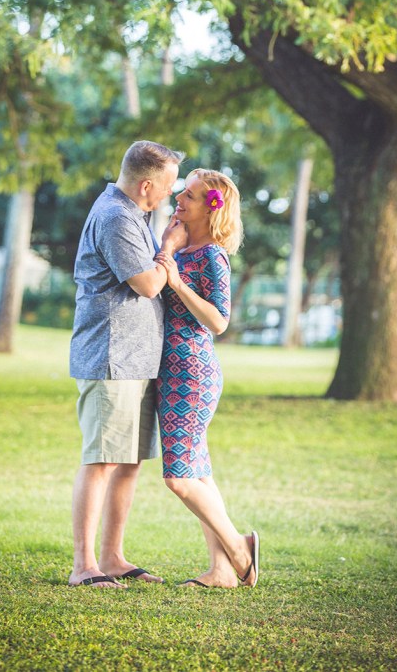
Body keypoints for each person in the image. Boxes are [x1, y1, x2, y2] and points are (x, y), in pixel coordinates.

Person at [68, 140, 187, 589]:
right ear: (146, 185)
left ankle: (113, 557)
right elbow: (149, 284)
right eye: (169, 188)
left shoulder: (136, 214)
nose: (172, 197)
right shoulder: (116, 217)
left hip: (138, 359)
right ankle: (84, 566)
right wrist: (171, 246)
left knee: (130, 461)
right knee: (101, 460)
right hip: (111, 358)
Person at [155, 169, 259, 589]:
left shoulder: (212, 256)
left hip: (192, 372)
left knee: (178, 477)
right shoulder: (181, 246)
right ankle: (220, 572)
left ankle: (239, 549)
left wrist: (177, 282)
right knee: (197, 474)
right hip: (171, 369)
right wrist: (168, 247)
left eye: (191, 195)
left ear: (211, 207)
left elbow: (218, 321)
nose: (180, 197)